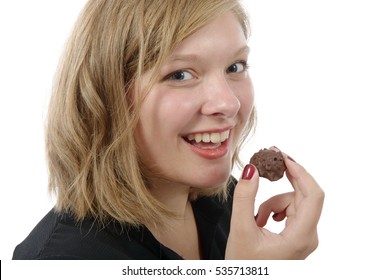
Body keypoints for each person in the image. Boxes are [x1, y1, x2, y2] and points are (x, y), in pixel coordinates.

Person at [13, 0, 324, 260]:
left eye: (235, 67)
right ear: (106, 97)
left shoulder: (224, 201)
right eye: (180, 74)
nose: (228, 104)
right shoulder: (61, 261)